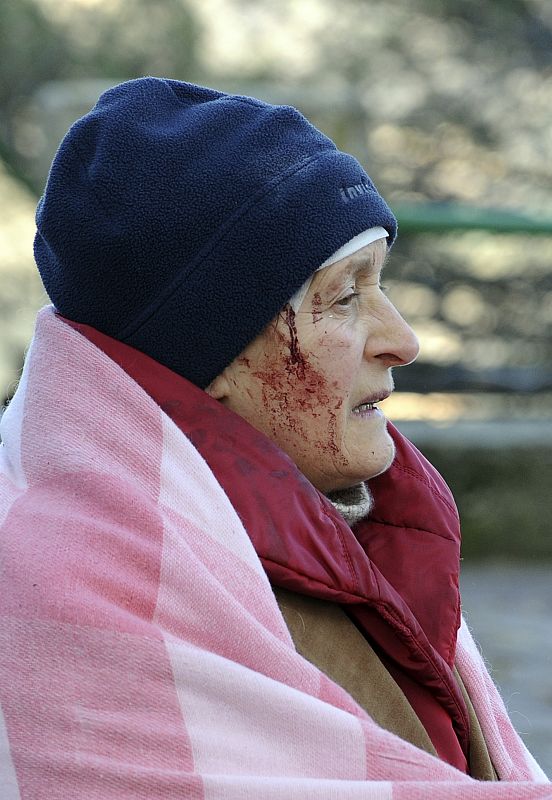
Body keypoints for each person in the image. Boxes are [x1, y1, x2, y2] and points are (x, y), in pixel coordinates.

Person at [0, 77, 549, 798]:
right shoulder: (72, 587)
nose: (404, 340)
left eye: (381, 284)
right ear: (215, 352)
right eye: (347, 295)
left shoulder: (352, 531)